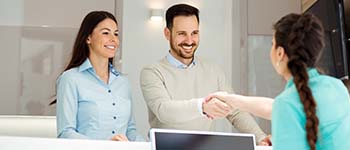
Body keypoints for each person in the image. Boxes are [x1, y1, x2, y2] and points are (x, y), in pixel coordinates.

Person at [210, 13, 350, 149]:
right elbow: (276, 108)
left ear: (280, 53)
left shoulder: (288, 103)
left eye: (272, 44)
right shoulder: (336, 87)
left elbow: (283, 108)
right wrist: (230, 99)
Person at [140, 3, 268, 144]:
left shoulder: (213, 71)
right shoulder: (152, 72)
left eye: (194, 33)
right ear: (167, 33)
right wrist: (202, 107)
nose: (189, 41)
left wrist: (260, 137)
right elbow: (164, 110)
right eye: (182, 34)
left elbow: (235, 111)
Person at [56, 11, 141, 141]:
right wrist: (104, 145)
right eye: (106, 33)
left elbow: (130, 130)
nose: (114, 39)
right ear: (88, 38)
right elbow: (66, 133)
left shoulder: (123, 82)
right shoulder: (70, 79)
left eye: (116, 34)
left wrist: (149, 145)